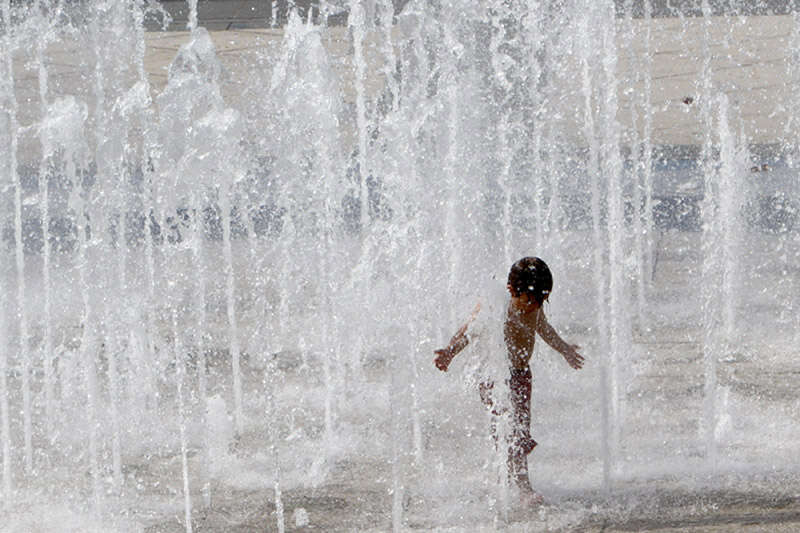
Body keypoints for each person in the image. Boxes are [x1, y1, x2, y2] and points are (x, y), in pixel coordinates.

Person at [434, 257, 584, 504]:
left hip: (521, 375)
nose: (534, 306)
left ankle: (516, 481)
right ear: (512, 290)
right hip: (494, 376)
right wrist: (450, 352)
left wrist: (565, 349)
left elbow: (544, 329)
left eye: (540, 301)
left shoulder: (534, 304)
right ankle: (515, 482)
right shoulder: (496, 306)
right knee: (507, 429)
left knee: (521, 431)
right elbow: (469, 331)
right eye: (530, 301)